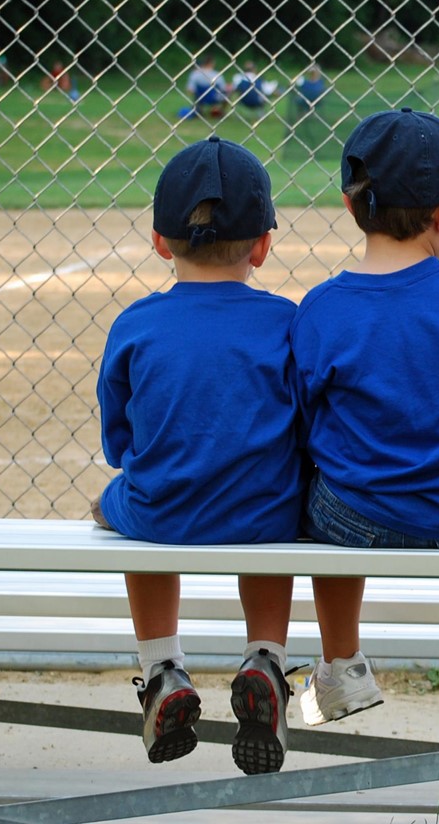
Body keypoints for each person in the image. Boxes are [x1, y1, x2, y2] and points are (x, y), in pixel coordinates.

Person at [290, 109, 439, 726]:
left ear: (349, 205)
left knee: (319, 494)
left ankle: (341, 663)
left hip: (353, 517)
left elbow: (308, 418)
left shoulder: (322, 308)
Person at [93, 134, 302, 775]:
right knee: (274, 507)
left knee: (124, 501)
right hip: (265, 514)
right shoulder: (288, 321)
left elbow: (118, 442)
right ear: (263, 246)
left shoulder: (135, 324)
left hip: (163, 511)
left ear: (160, 242)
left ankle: (161, 666)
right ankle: (265, 656)